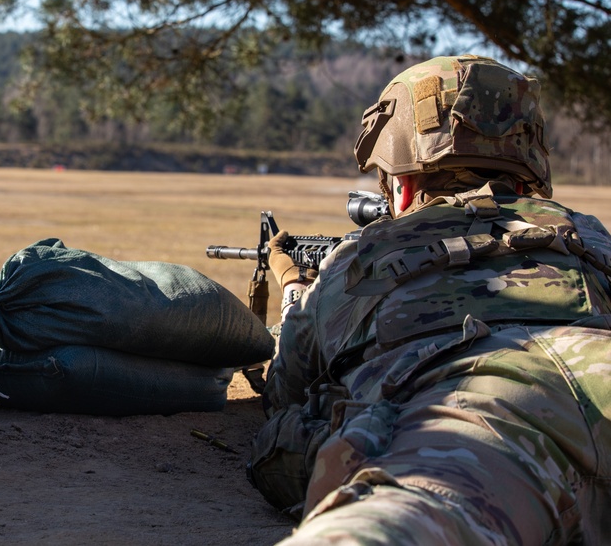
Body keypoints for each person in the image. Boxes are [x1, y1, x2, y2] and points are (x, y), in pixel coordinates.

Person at [247, 54, 611, 545]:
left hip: (485, 417)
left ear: (402, 187)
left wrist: (296, 289)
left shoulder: (359, 257)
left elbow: (281, 391)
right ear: (530, 171)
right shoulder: (593, 235)